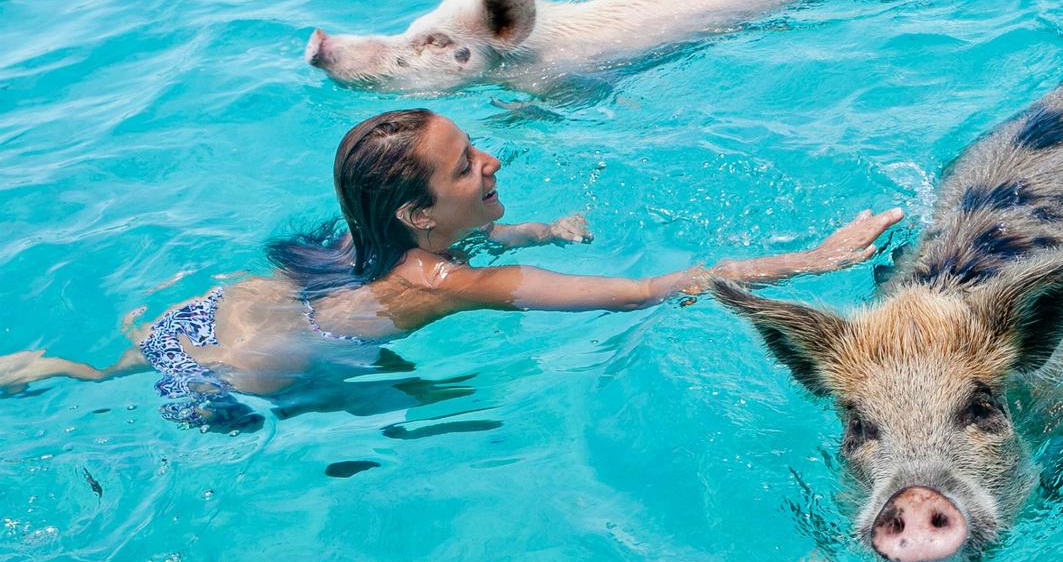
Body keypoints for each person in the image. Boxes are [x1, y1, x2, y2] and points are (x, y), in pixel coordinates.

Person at [0, 109, 902, 428]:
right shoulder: (440, 280)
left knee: (117, 371)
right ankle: (74, 376)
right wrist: (810, 259)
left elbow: (458, 244)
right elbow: (647, 289)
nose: (492, 162)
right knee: (426, 414)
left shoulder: (383, 241)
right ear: (419, 214)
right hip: (249, 373)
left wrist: (539, 229)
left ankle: (58, 369)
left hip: (210, 314)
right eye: (469, 162)